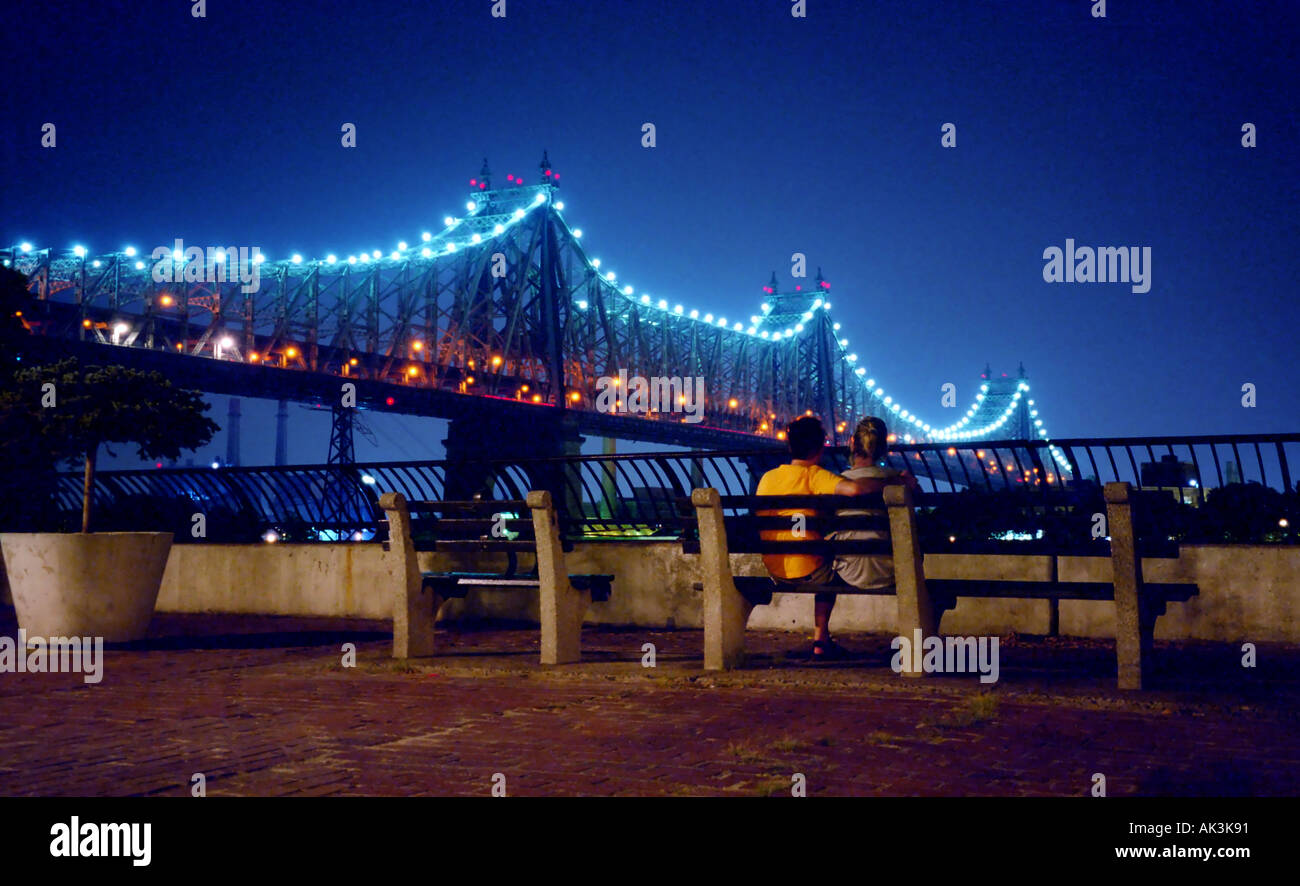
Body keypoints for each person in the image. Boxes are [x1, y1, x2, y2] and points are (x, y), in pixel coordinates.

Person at [755, 416, 876, 660]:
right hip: (810, 571)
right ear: (821, 448)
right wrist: (896, 480)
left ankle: (822, 639)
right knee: (831, 568)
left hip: (775, 570)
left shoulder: (768, 478)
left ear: (790, 447)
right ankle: (820, 638)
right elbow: (853, 489)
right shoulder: (816, 475)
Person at [829, 416, 919, 594]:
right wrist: (902, 481)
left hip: (848, 570)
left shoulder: (837, 482)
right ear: (883, 449)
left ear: (852, 444)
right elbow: (920, 496)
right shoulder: (896, 478)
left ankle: (820, 623)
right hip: (890, 571)